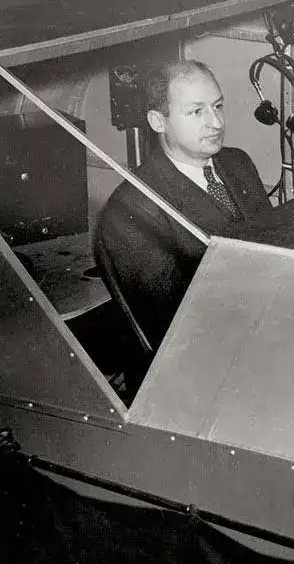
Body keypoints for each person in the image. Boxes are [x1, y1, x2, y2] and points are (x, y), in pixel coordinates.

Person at [95, 60, 271, 350]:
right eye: (196, 111)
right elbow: (173, 326)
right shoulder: (131, 209)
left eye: (218, 106)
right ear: (158, 121)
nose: (216, 123)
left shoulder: (237, 162)